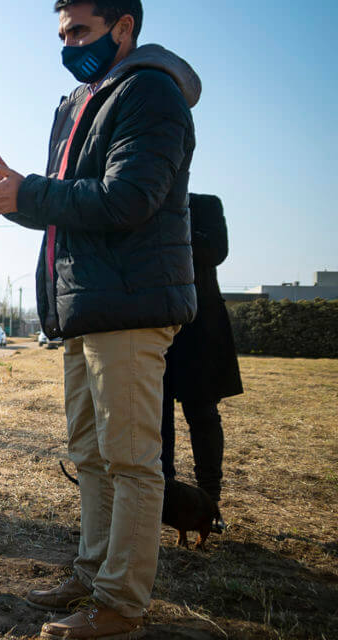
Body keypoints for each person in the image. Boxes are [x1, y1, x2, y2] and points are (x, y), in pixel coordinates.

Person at [0, 1, 199, 636]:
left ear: (124, 28)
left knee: (130, 460)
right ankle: (92, 573)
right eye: (62, 34)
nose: (68, 45)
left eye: (81, 32)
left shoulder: (151, 94)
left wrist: (29, 190)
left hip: (129, 306)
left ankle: (121, 604)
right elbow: (66, 207)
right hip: (84, 306)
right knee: (90, 456)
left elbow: (128, 199)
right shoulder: (77, 103)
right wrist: (13, 195)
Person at [161, 193, 240, 531]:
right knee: (156, 417)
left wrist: (168, 222)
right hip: (155, 319)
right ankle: (161, 497)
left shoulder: (205, 204)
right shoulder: (138, 201)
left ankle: (211, 503)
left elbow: (215, 252)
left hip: (201, 324)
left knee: (203, 415)